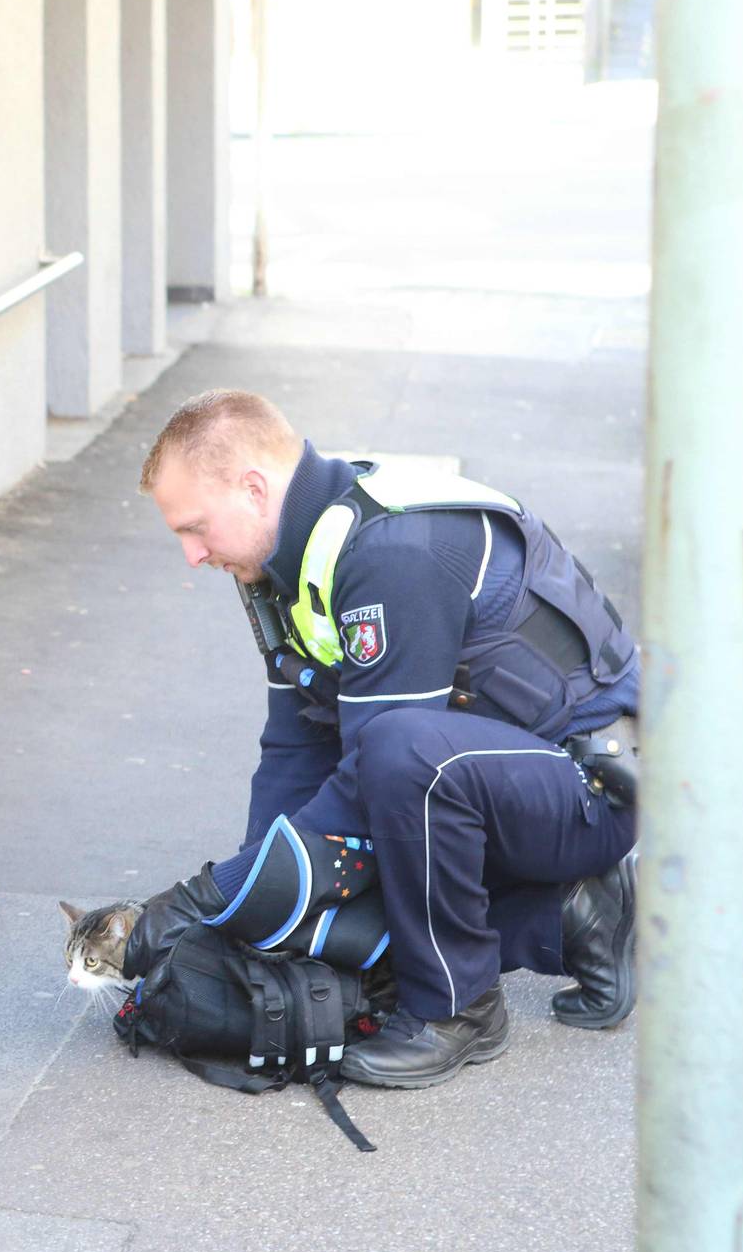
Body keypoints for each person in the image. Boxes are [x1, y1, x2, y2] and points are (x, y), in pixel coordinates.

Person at [142, 390, 640, 1089]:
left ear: (252, 490)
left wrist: (204, 897)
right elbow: (292, 752)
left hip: (589, 793)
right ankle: (570, 916)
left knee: (396, 766)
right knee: (316, 923)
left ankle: (461, 1011)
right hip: (494, 785)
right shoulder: (287, 560)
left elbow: (375, 780)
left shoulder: (392, 551)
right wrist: (250, 915)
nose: (192, 556)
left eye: (194, 529)